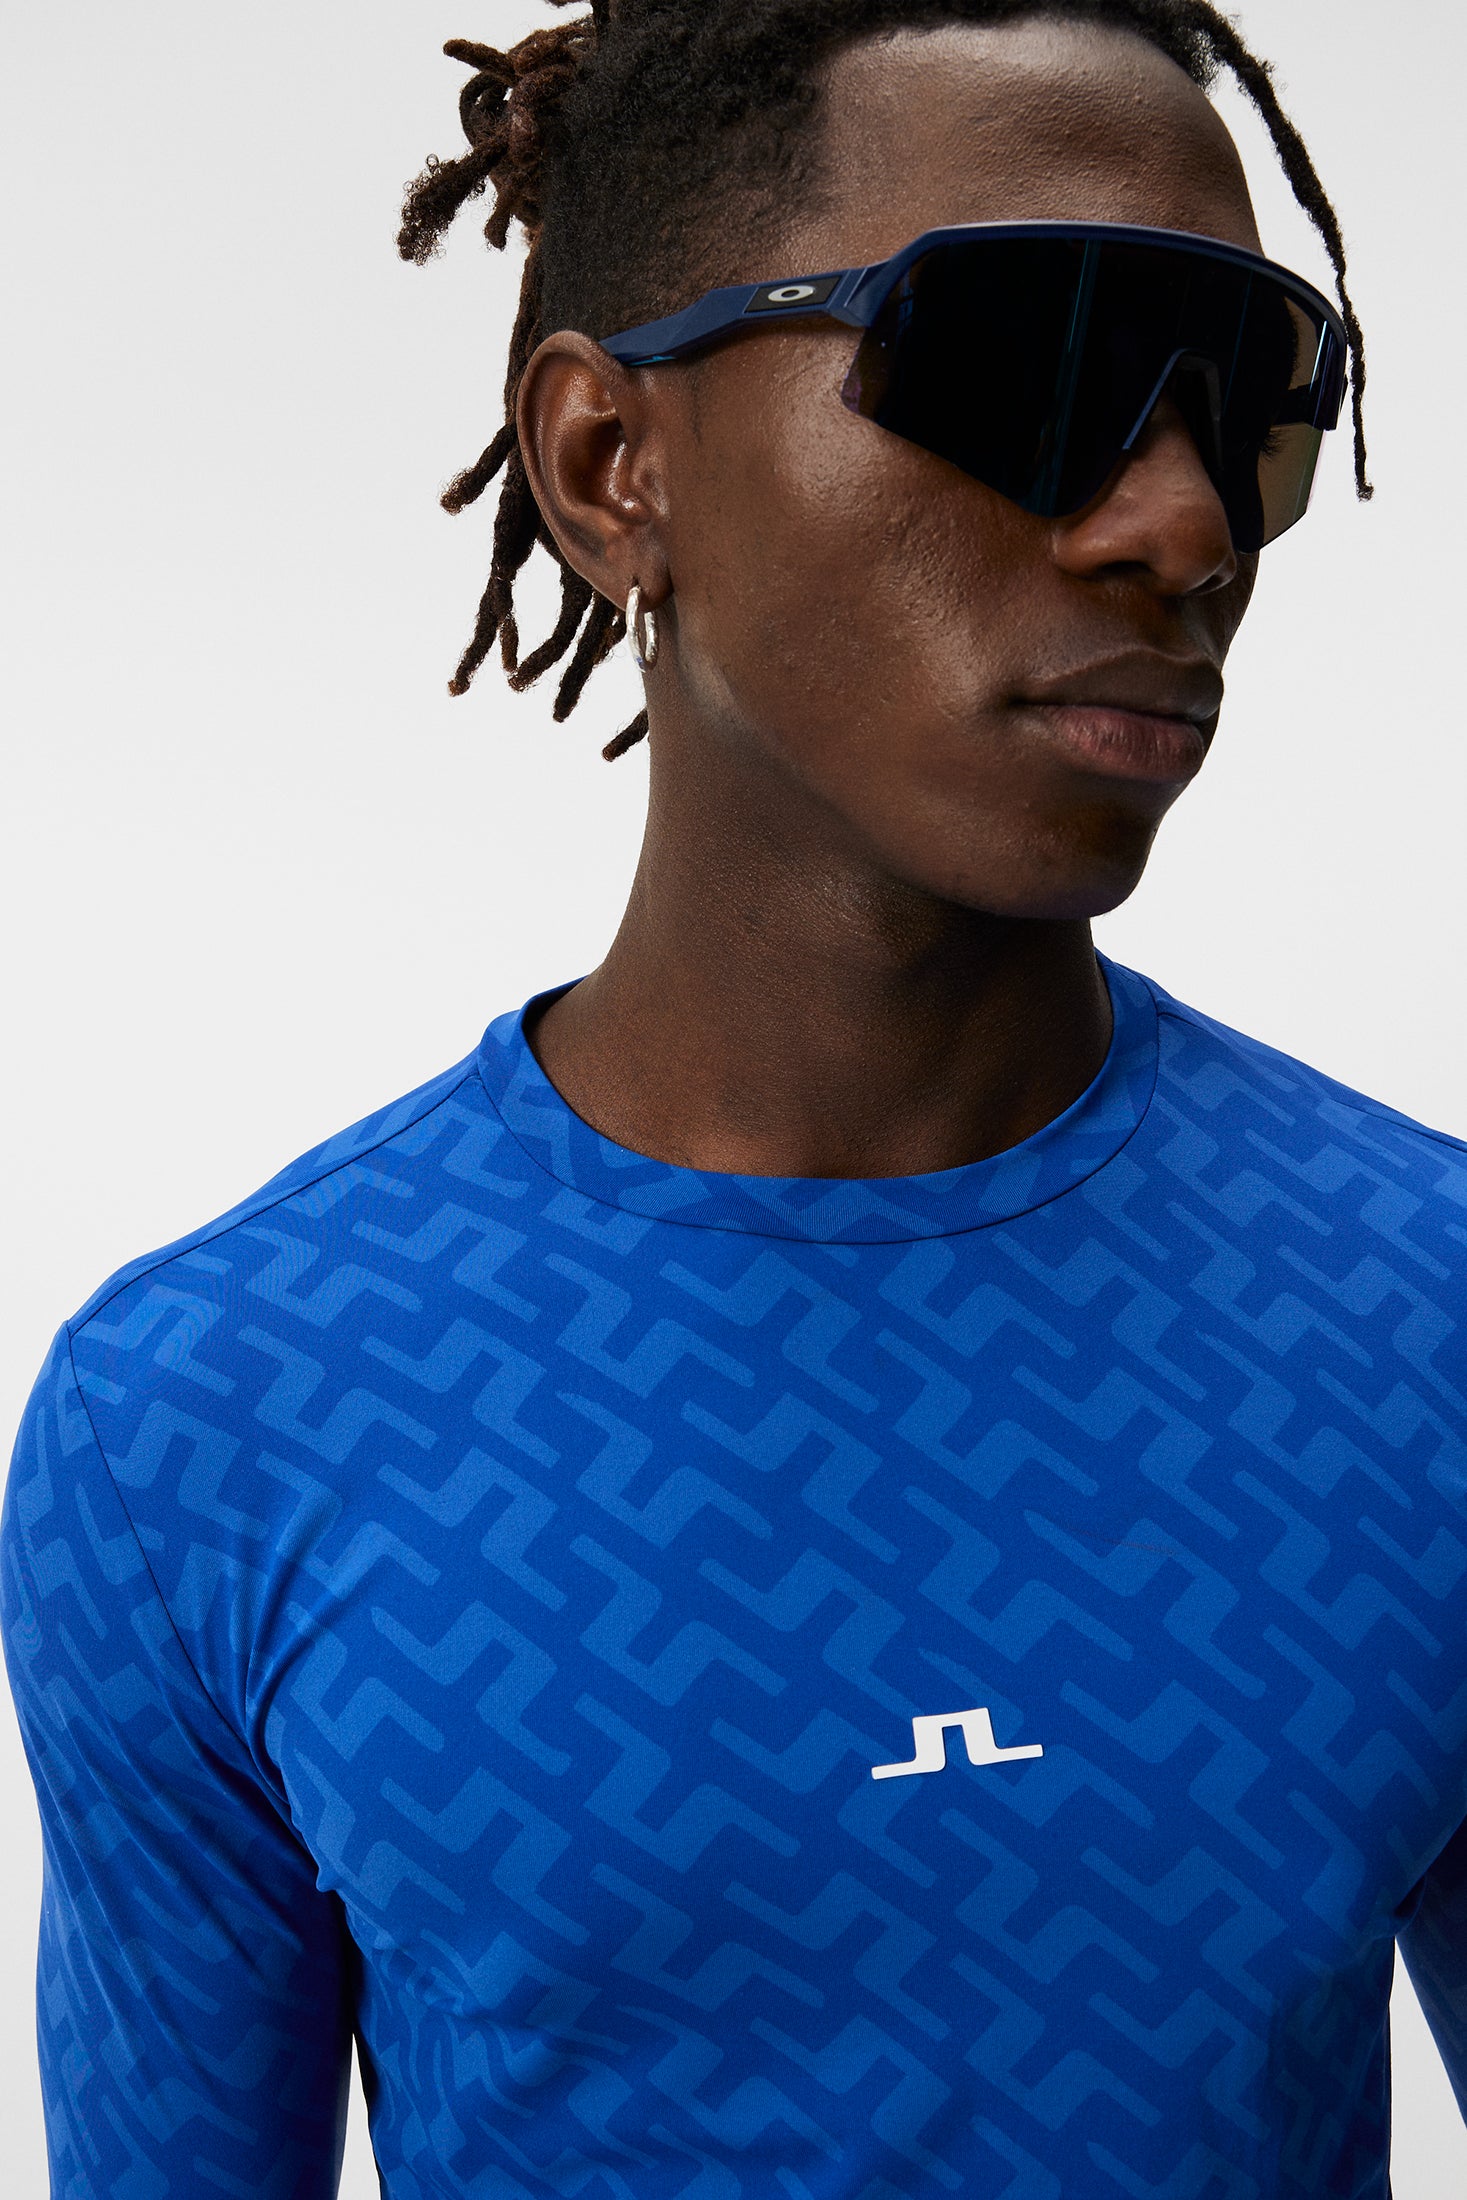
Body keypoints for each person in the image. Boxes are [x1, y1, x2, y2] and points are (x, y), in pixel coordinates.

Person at [4, 2, 1465, 2194]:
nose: (1177, 520)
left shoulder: (1432, 1330)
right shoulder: (200, 1426)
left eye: (1246, 396)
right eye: (1031, 354)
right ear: (613, 465)